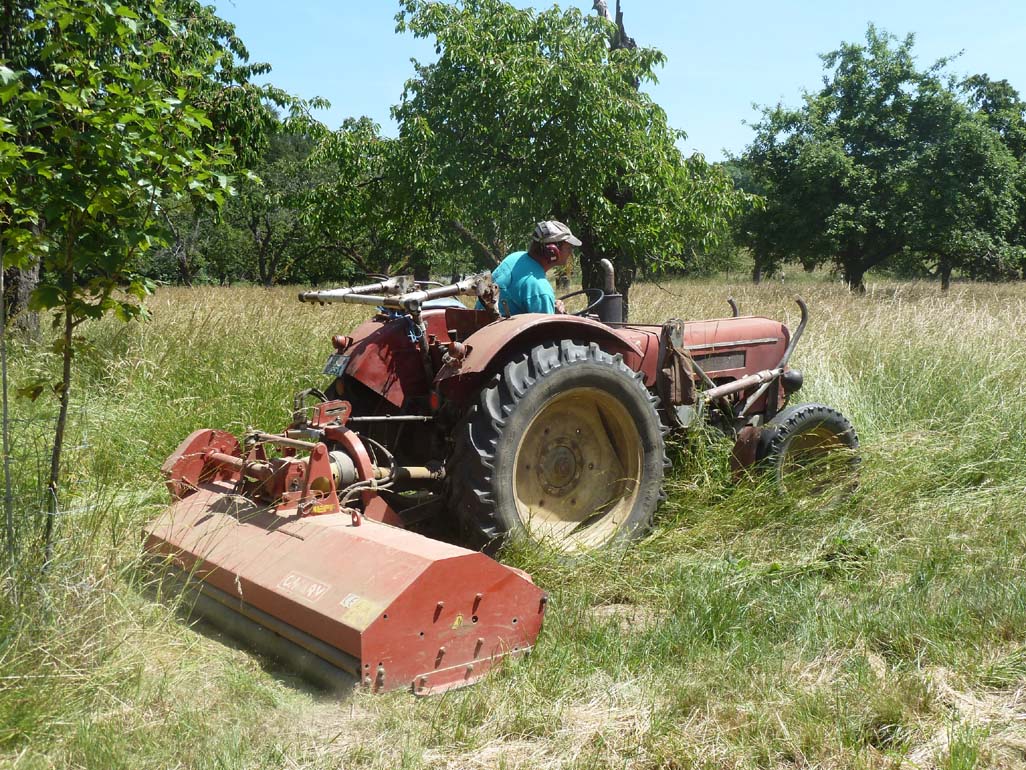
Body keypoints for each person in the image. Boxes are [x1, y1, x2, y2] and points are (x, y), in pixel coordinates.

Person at [484, 220, 581, 315]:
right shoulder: (540, 289)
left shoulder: (515, 258)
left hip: (480, 326)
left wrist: (549, 304)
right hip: (502, 330)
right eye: (569, 248)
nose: (571, 253)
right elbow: (548, 329)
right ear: (553, 251)